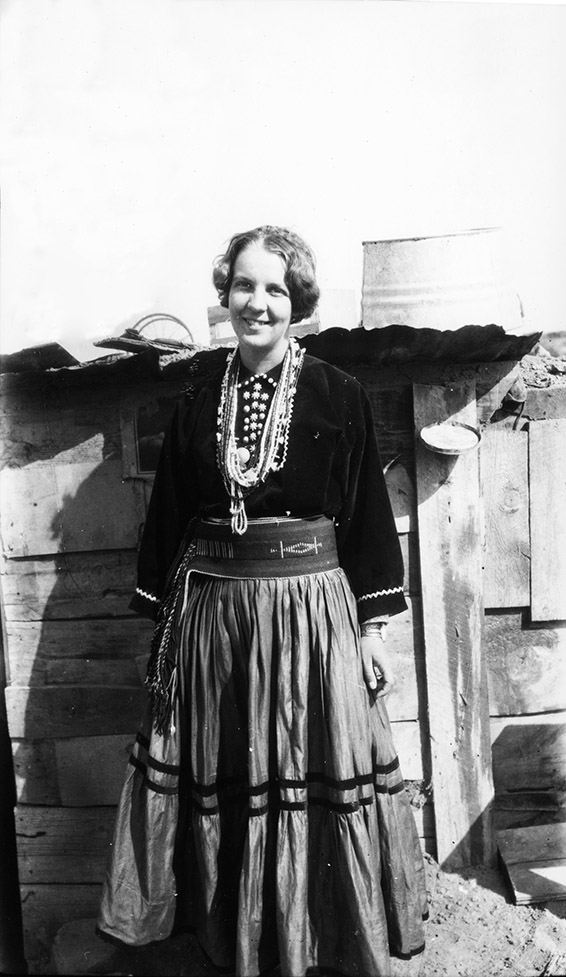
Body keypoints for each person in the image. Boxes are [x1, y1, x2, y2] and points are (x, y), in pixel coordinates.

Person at [97, 225, 428, 976]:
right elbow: (172, 513)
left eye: (275, 289)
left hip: (310, 618)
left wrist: (371, 625)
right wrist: (163, 629)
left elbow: (368, 517)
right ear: (226, 296)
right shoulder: (197, 394)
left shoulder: (338, 394)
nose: (258, 303)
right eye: (244, 286)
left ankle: (313, 938)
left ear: (298, 301)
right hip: (218, 620)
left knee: (307, 769)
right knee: (229, 773)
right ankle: (233, 938)